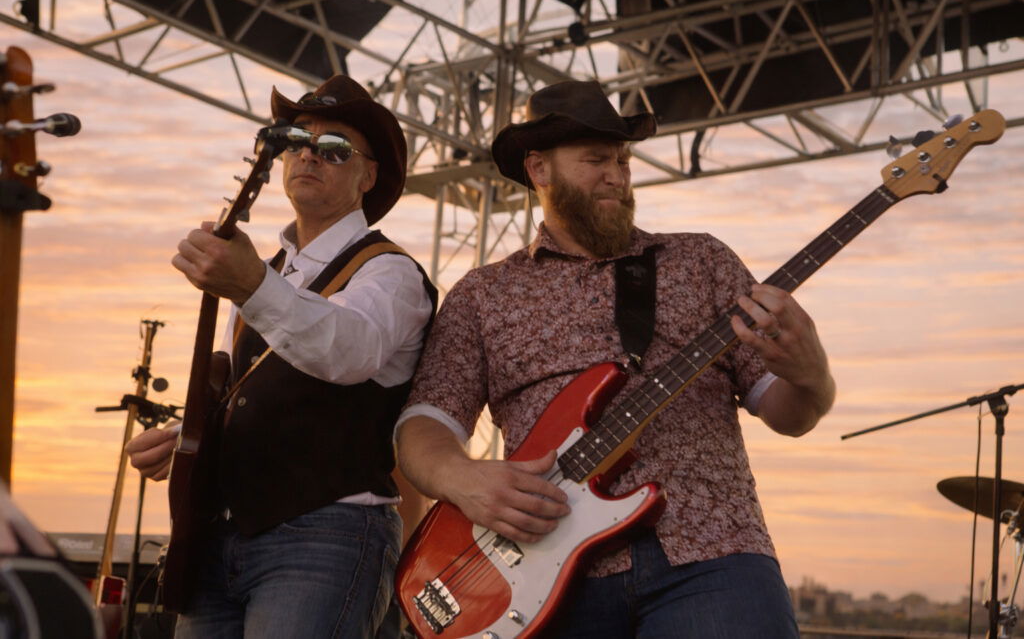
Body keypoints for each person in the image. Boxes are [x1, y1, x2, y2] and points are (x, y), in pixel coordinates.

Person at [394, 80, 835, 638]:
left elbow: (788, 413)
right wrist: (461, 478)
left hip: (711, 551)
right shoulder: (484, 294)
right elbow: (424, 424)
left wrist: (811, 374)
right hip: (539, 573)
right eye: (596, 160)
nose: (617, 175)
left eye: (623, 161)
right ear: (540, 170)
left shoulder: (702, 260)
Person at [126, 75, 436, 638]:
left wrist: (251, 286)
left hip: (327, 534)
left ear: (368, 176)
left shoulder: (389, 271)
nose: (307, 154)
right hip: (218, 537)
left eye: (334, 148)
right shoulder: (261, 275)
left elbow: (349, 350)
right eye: (295, 140)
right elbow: (243, 392)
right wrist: (187, 438)